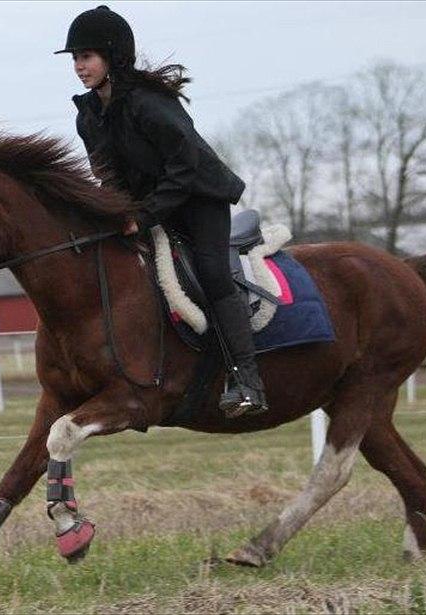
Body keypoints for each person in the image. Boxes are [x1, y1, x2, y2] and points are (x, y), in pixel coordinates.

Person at [55, 5, 267, 418]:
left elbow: (184, 167)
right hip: (154, 205)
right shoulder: (89, 115)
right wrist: (111, 214)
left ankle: (248, 380)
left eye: (87, 57)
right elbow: (108, 176)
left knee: (211, 273)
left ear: (113, 57)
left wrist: (145, 215)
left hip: (200, 199)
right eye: (76, 59)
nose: (80, 67)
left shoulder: (150, 104)